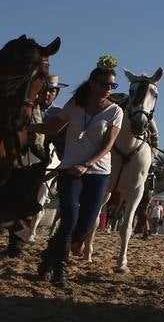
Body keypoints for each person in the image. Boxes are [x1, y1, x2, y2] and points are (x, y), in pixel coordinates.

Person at [36, 58, 124, 287]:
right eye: (105, 84)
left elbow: (108, 145)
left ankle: (48, 255)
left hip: (98, 173)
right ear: (93, 83)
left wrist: (86, 164)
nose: (109, 89)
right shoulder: (75, 104)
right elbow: (54, 128)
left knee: (85, 226)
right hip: (69, 170)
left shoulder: (115, 111)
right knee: (69, 219)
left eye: (112, 86)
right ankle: (60, 269)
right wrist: (28, 126)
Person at [4, 73, 66, 256]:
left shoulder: (58, 113)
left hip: (41, 161)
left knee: (28, 203)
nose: (48, 94)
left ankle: (16, 244)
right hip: (17, 156)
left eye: (52, 91)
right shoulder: (26, 107)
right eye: (46, 90)